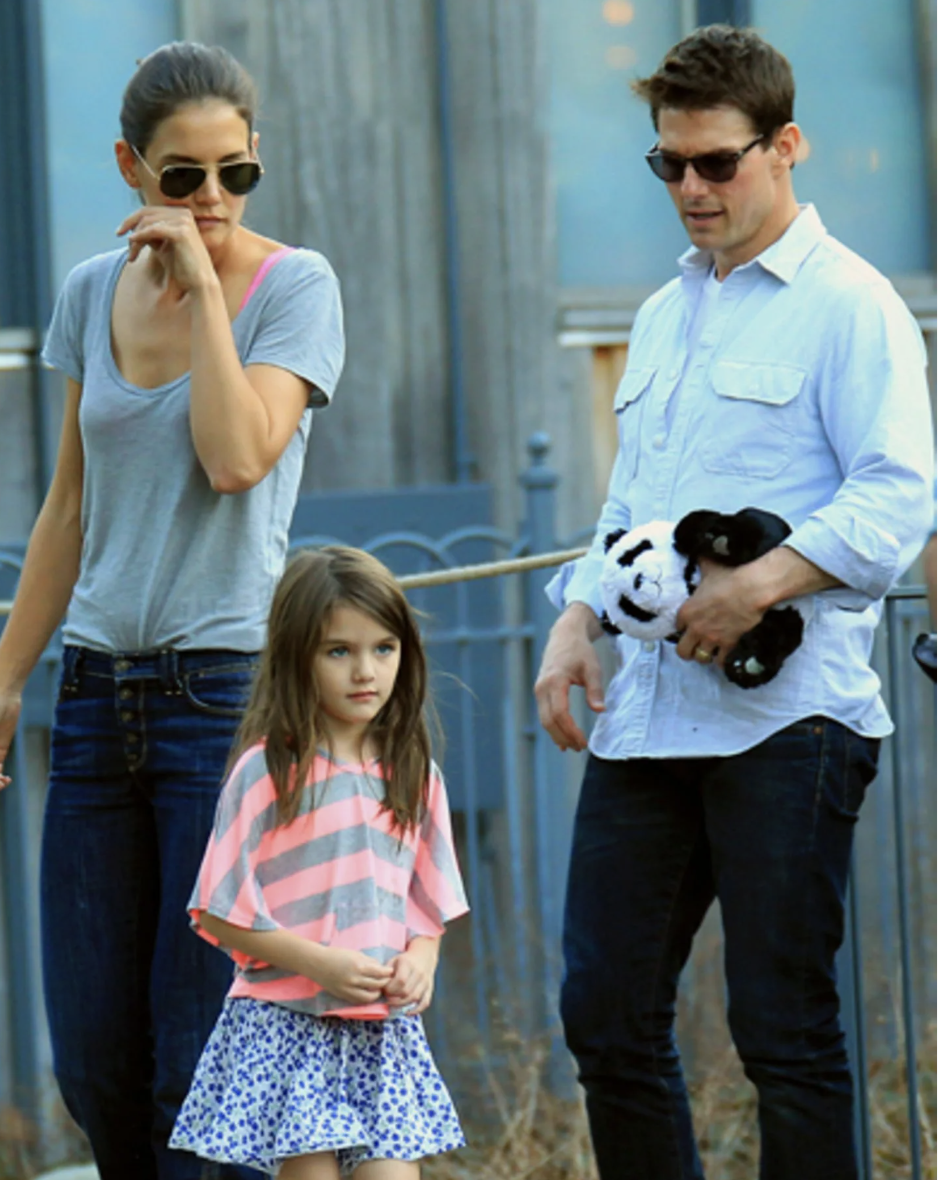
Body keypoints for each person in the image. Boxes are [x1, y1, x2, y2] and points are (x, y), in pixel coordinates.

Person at [534, 25, 934, 1180]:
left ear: (784, 145)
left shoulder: (850, 304)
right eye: (667, 163)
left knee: (781, 1031)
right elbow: (630, 506)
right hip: (646, 718)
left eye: (715, 161)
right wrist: (575, 617)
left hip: (787, 720)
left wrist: (758, 583)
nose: (689, 187)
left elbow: (897, 496)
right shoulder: (662, 313)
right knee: (604, 1015)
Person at [0, 42, 344, 1179]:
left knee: (201, 1063)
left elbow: (237, 457)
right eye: (181, 177)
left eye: (235, 174)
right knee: (95, 1062)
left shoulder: (294, 286)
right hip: (97, 698)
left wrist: (203, 293)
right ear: (129, 168)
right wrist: (6, 676)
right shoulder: (87, 293)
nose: (211, 199)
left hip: (223, 700)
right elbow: (67, 507)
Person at [168, 545, 469, 1177]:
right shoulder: (266, 772)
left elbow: (429, 906)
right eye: (339, 651)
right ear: (297, 657)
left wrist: (422, 961)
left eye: (383, 648)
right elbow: (216, 909)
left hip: (381, 1033)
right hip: (288, 1025)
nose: (365, 671)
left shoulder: (416, 774)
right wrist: (319, 964)